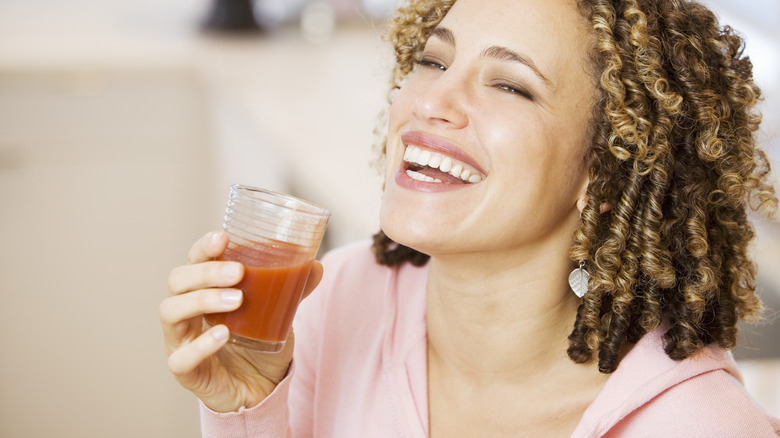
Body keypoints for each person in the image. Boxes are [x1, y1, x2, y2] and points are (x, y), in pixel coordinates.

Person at [160, 0, 780, 436]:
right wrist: (248, 411)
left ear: (608, 171)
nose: (430, 102)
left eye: (510, 86)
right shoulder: (337, 297)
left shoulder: (697, 424)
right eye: (433, 61)